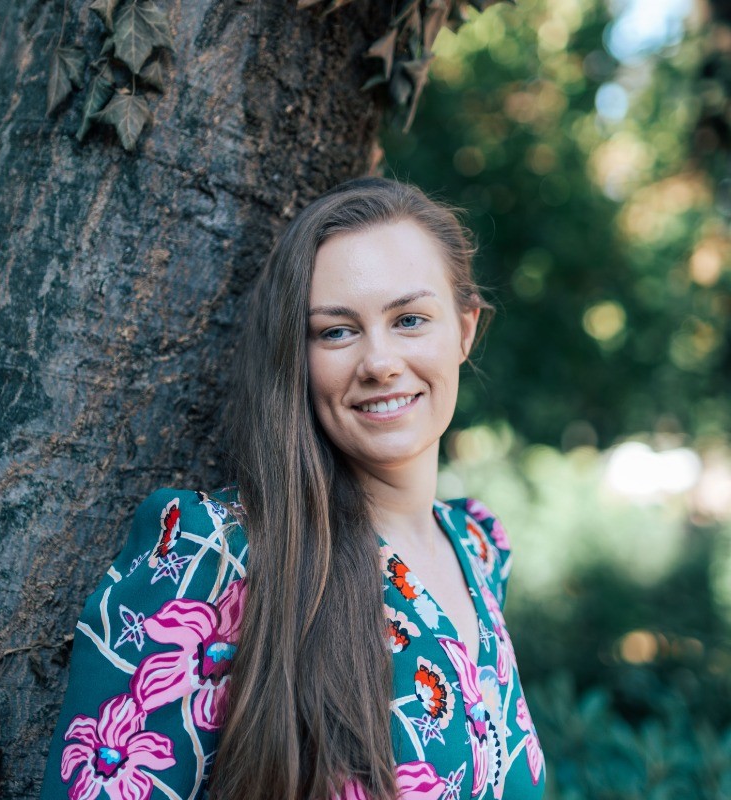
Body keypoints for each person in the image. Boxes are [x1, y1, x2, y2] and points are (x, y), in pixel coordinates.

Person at [40, 177, 545, 800]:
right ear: (296, 355)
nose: (380, 361)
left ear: (464, 329)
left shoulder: (479, 547)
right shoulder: (217, 555)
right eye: (336, 331)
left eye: (410, 319)